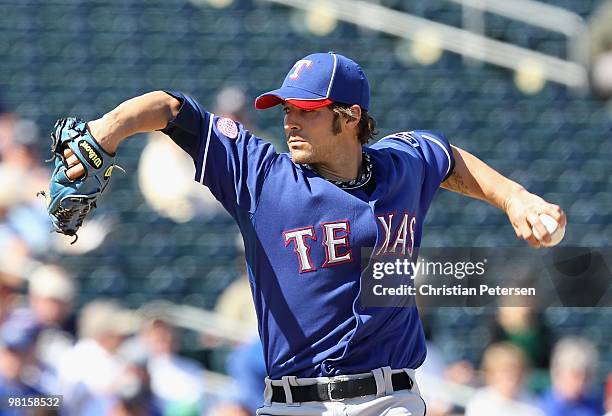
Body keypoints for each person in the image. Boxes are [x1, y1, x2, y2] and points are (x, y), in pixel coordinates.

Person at [60, 52, 566, 415]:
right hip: (293, 403)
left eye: (306, 109)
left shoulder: (400, 165)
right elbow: (170, 109)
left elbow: (447, 157)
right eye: (286, 108)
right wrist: (106, 131)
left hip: (389, 399)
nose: (290, 120)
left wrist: (515, 198)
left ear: (349, 118)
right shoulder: (261, 176)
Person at [465, 342, 544, 416]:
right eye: (506, 371)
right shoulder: (480, 403)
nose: (513, 378)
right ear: (490, 374)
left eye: (518, 372)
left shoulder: (533, 403)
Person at [539, 337, 604, 416]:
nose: (581, 382)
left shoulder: (595, 406)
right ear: (559, 372)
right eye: (576, 375)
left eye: (587, 376)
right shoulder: (540, 408)